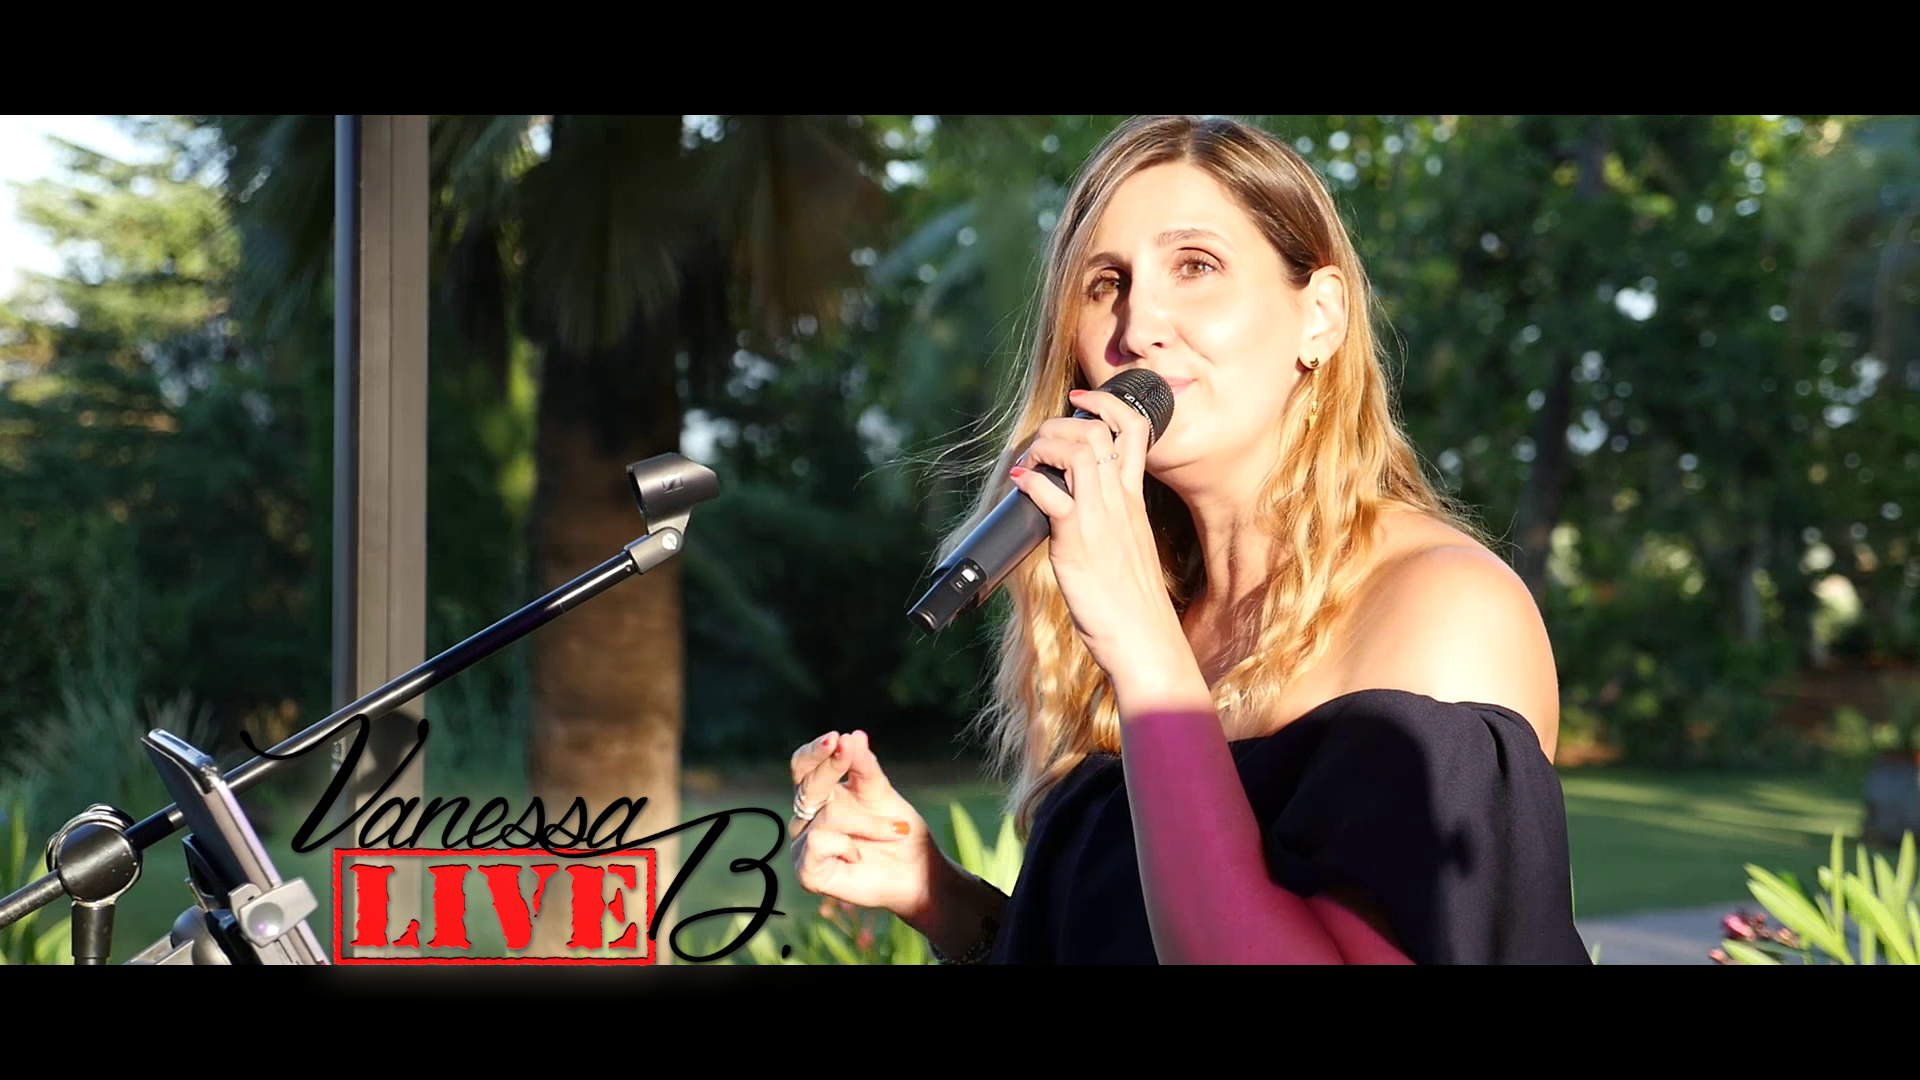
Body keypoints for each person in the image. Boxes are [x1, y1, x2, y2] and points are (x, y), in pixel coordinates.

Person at [785, 114, 1593, 965]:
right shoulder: (1160, 613)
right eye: (1106, 283)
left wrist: (1143, 651)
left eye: (1196, 266)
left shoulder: (1444, 609)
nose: (1139, 327)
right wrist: (939, 896)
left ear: (1320, 316)